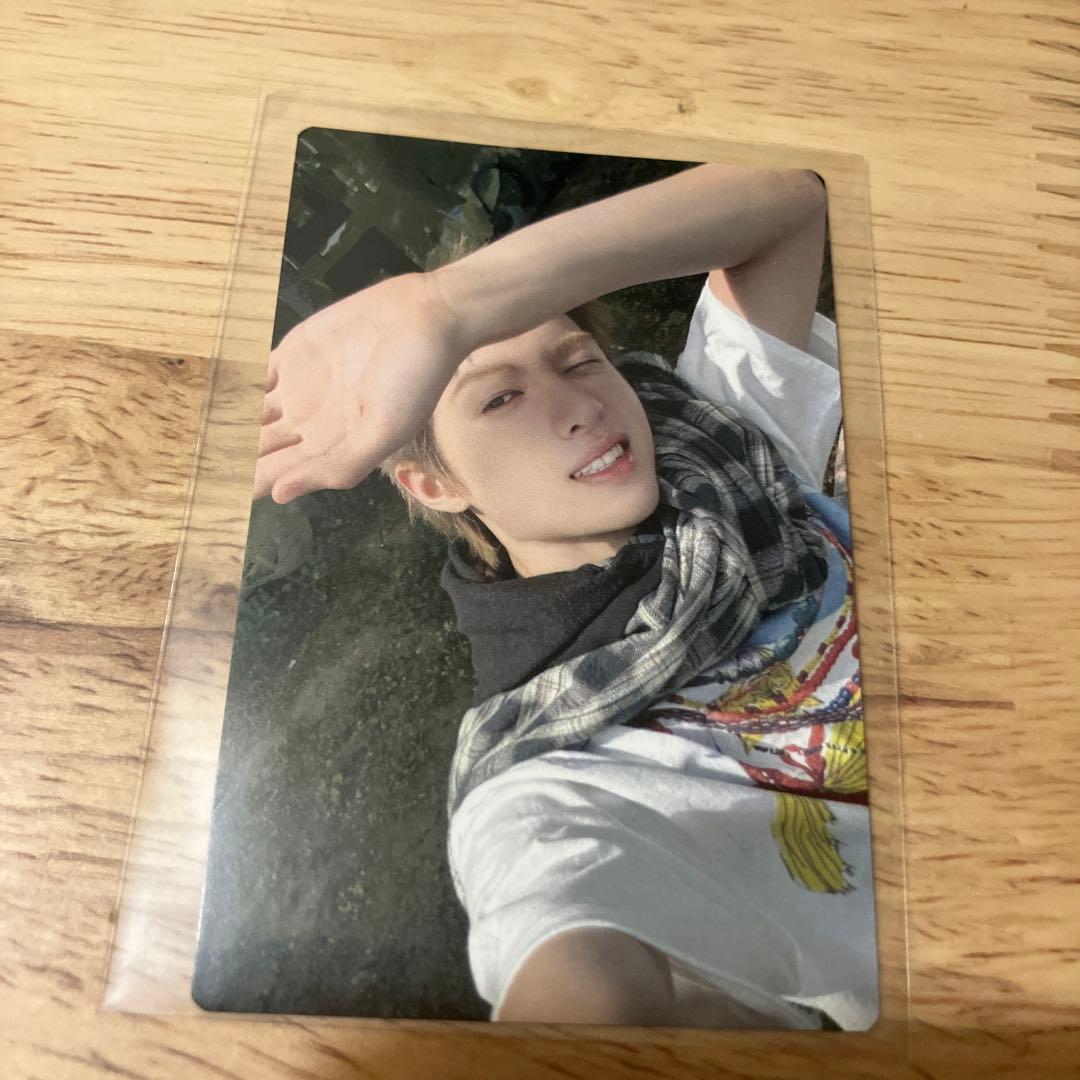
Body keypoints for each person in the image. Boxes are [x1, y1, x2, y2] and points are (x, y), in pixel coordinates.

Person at [254, 163, 877, 1031]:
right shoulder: (552, 770)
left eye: (580, 359)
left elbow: (787, 204)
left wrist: (449, 306)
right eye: (501, 398)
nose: (580, 408)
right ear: (435, 484)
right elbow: (582, 961)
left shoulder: (716, 436)